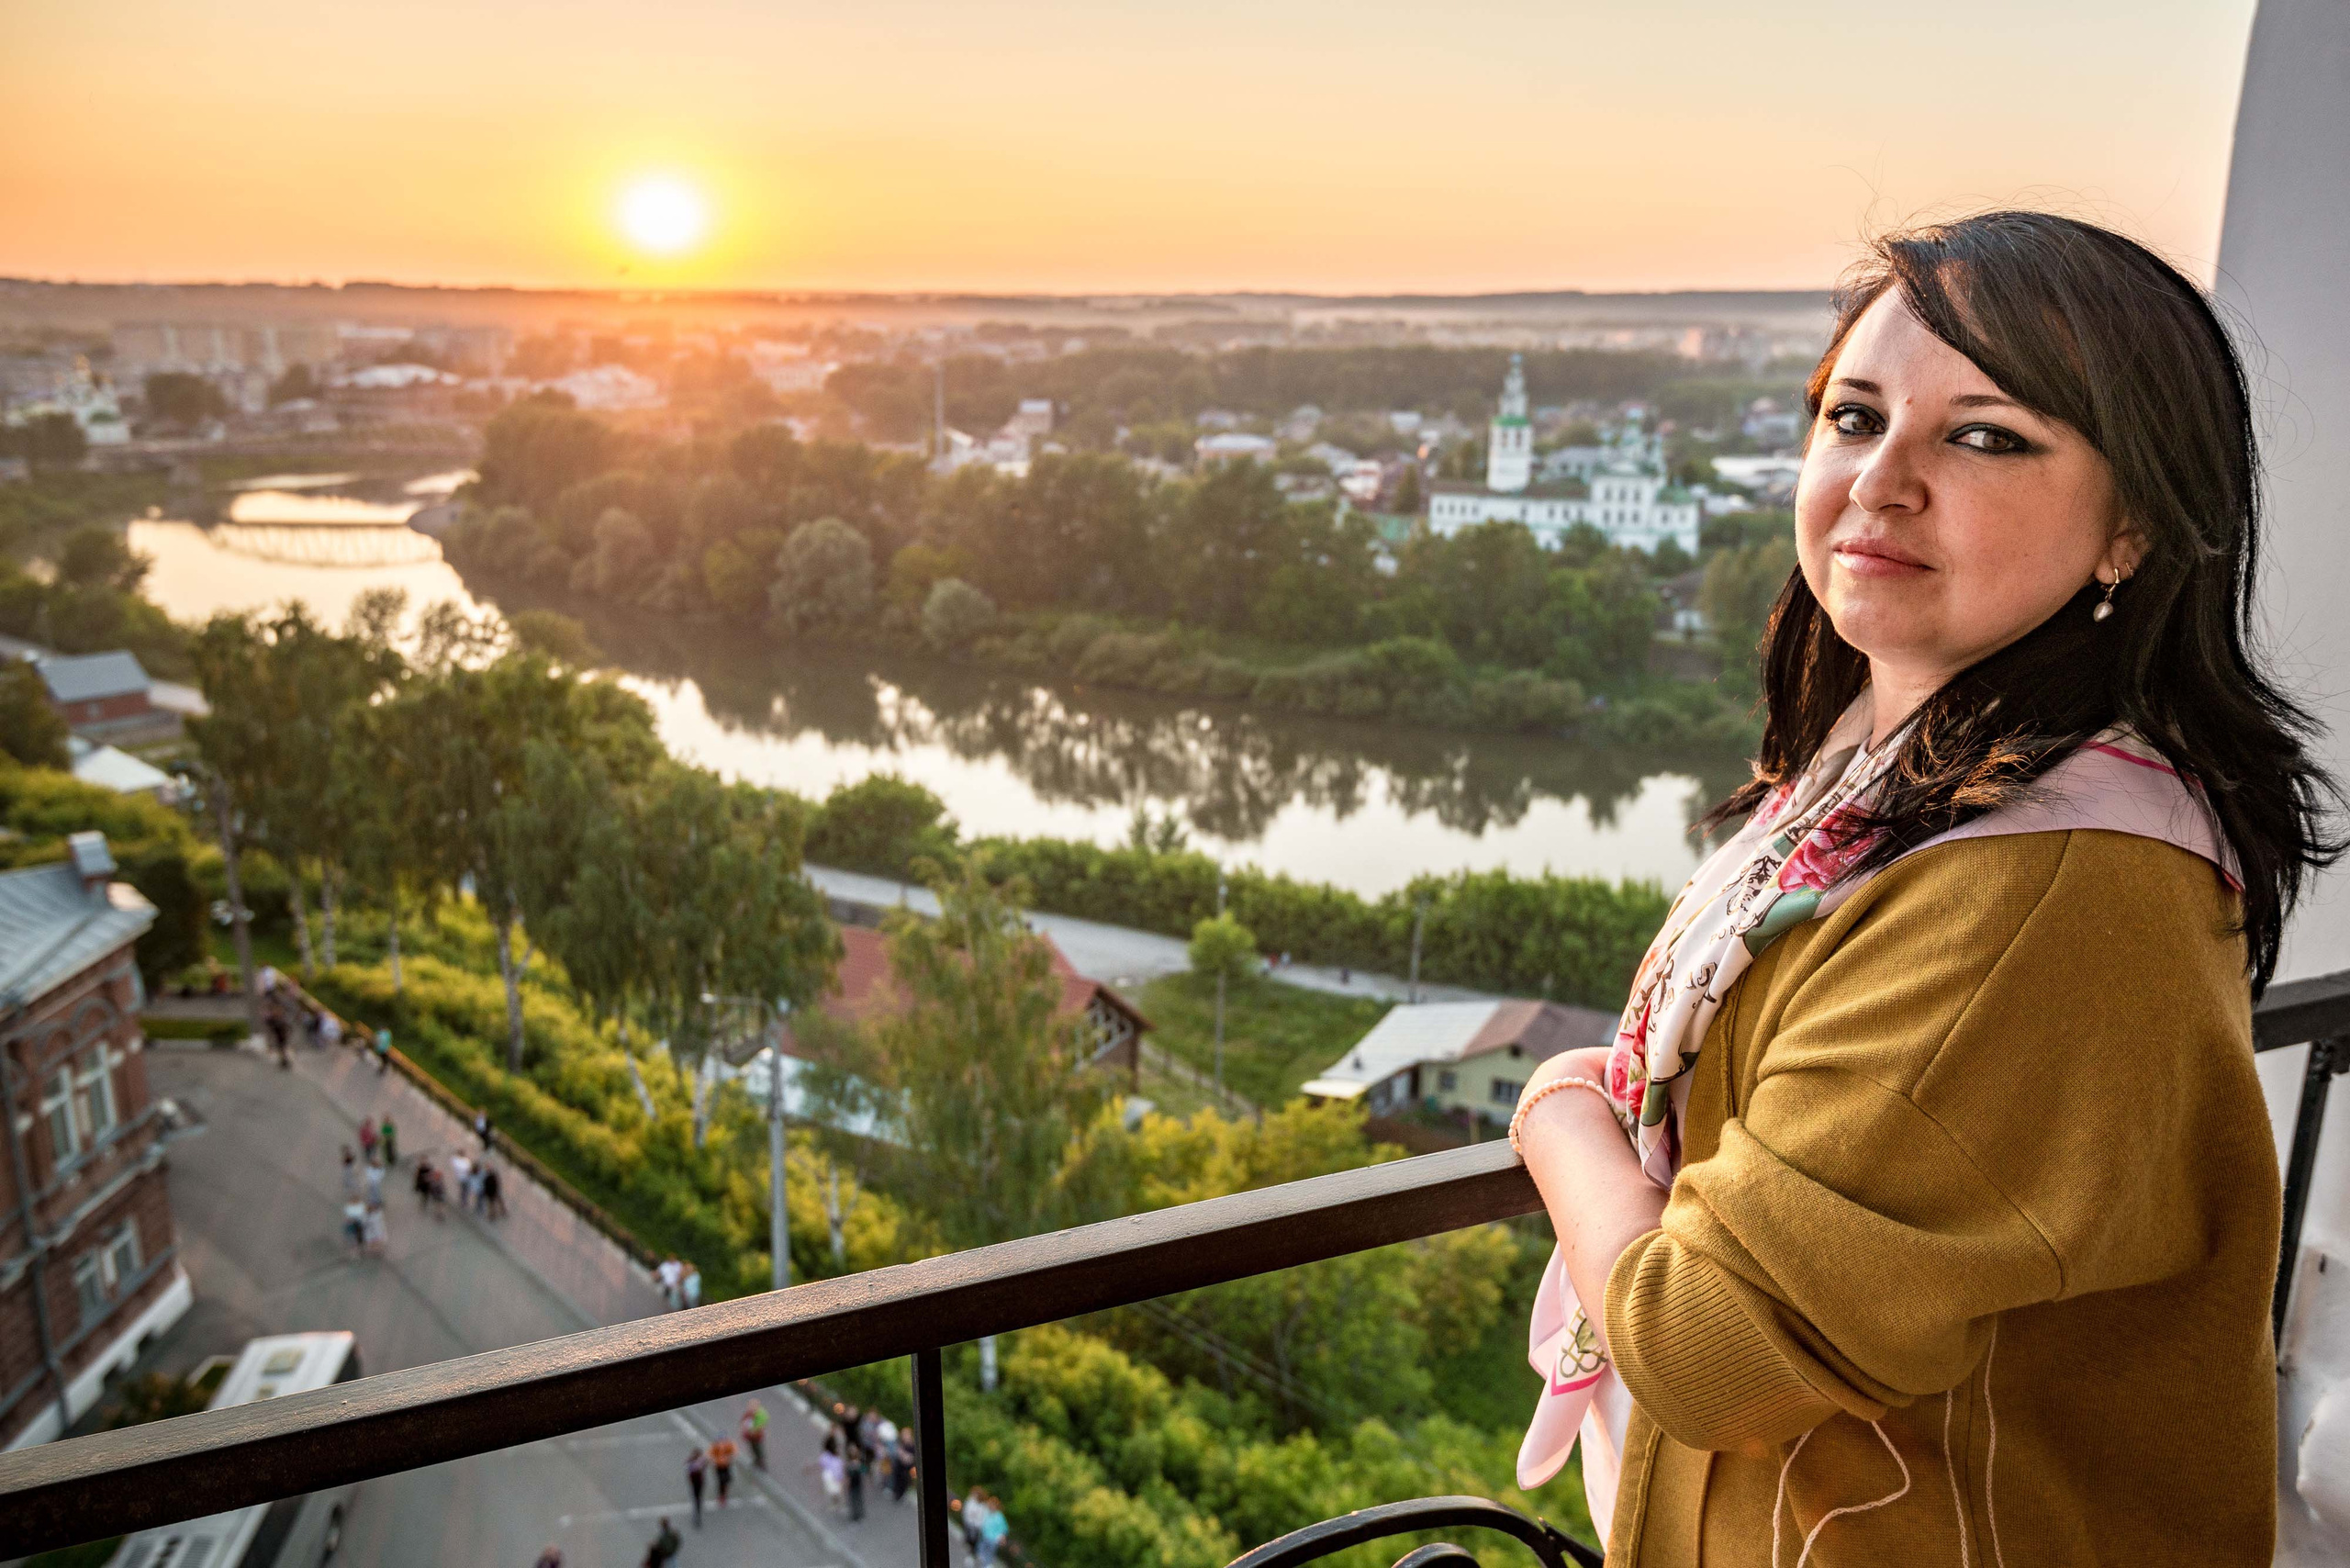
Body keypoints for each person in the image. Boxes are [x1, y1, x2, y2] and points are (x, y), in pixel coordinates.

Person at [1509, 212, 2335, 1562]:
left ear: (2133, 520)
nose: (1881, 481)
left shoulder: (2041, 890)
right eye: (1854, 417)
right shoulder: (1903, 781)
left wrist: (1560, 1111)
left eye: (1987, 435)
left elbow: (1708, 1349)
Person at [812, 1437, 845, 1515]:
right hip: (834, 1477)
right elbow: (839, 1468)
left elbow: (819, 1464)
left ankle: (835, 1505)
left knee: (832, 1492)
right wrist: (841, 1478)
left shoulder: (825, 1456)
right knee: (837, 1492)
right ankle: (837, 1505)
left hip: (828, 1476)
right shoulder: (837, 1459)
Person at [977, 1492, 1008, 1567]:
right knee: (980, 1549)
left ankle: (988, 1565)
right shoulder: (987, 1513)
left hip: (994, 1539)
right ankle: (983, 1561)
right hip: (985, 1536)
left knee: (990, 1553)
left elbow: (1004, 1528)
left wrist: (1002, 1537)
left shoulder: (999, 1516)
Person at [739, 1395, 769, 1470]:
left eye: (752, 1407)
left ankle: (761, 1462)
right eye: (750, 1406)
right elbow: (743, 1420)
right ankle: (757, 1460)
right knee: (753, 1448)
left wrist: (754, 1430)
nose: (750, 1408)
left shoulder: (760, 1415)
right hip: (750, 1436)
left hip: (756, 1437)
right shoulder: (749, 1413)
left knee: (758, 1449)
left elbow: (761, 1425)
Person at [708, 1435, 735, 1509]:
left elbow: (733, 1452)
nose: (722, 1443)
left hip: (726, 1465)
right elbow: (710, 1454)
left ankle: (723, 1494)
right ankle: (722, 1496)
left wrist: (730, 1458)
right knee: (721, 1481)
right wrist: (714, 1461)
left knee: (727, 1479)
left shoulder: (728, 1445)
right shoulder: (715, 1446)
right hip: (718, 1466)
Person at [682, 1444, 707, 1527]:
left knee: (697, 1497)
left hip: (699, 1481)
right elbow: (687, 1468)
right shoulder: (691, 1460)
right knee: (696, 1497)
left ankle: (697, 1514)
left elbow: (704, 1466)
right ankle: (697, 1513)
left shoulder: (701, 1460)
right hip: (695, 1481)